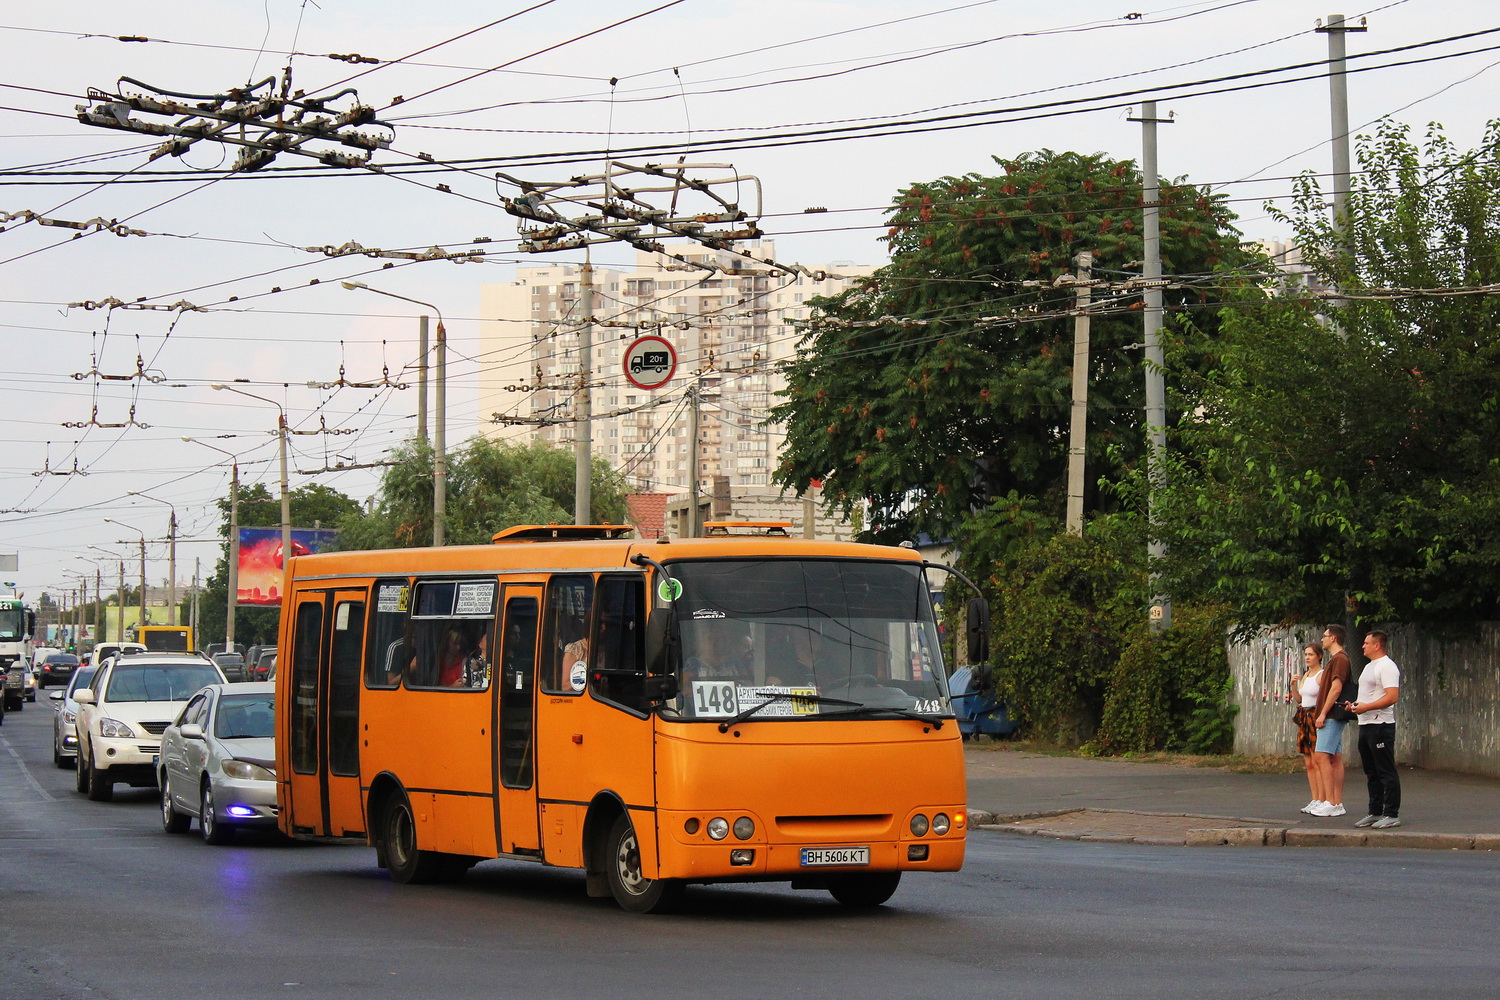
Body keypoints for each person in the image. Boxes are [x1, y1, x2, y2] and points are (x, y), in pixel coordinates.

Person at [1348, 629, 1402, 829]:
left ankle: (1391, 813)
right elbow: (1368, 696)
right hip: (1365, 724)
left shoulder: (1387, 667)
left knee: (1385, 770)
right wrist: (1355, 705)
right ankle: (1375, 811)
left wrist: (1366, 707)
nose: (1362, 646)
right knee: (1371, 771)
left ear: (1377, 645)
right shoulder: (1369, 667)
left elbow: (1392, 697)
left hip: (1381, 725)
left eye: (1366, 643)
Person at [1308, 624, 1355, 818]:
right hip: (1331, 714)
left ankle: (1330, 801)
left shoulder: (1340, 660)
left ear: (1334, 638)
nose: (1322, 639)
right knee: (1334, 758)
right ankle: (1335, 802)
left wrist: (1322, 713)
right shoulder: (1335, 660)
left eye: (1325, 636)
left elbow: (1336, 688)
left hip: (1332, 715)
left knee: (1321, 756)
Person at [1291, 642, 1324, 813]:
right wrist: (1293, 686)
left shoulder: (1321, 675)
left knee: (1318, 760)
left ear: (1319, 656)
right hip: (1303, 716)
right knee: (1309, 761)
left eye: (1311, 654)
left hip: (1314, 717)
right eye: (1306, 655)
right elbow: (1299, 699)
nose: (1307, 658)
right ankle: (1314, 797)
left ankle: (1322, 798)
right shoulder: (1306, 675)